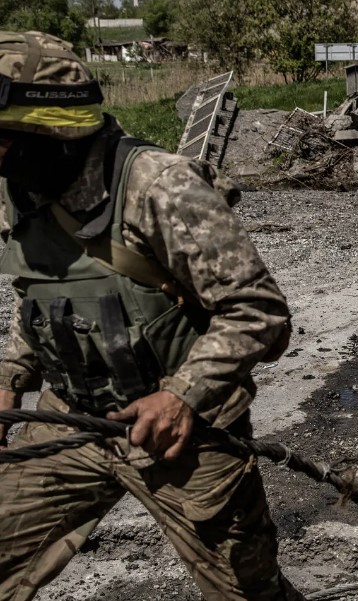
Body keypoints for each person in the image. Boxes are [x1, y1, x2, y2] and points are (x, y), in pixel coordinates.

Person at [0, 31, 303, 600]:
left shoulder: (159, 186)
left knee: (248, 594)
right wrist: (10, 379)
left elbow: (258, 309)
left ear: (47, 131)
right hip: (71, 422)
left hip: (180, 434)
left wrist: (182, 396)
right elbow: (39, 291)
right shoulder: (20, 188)